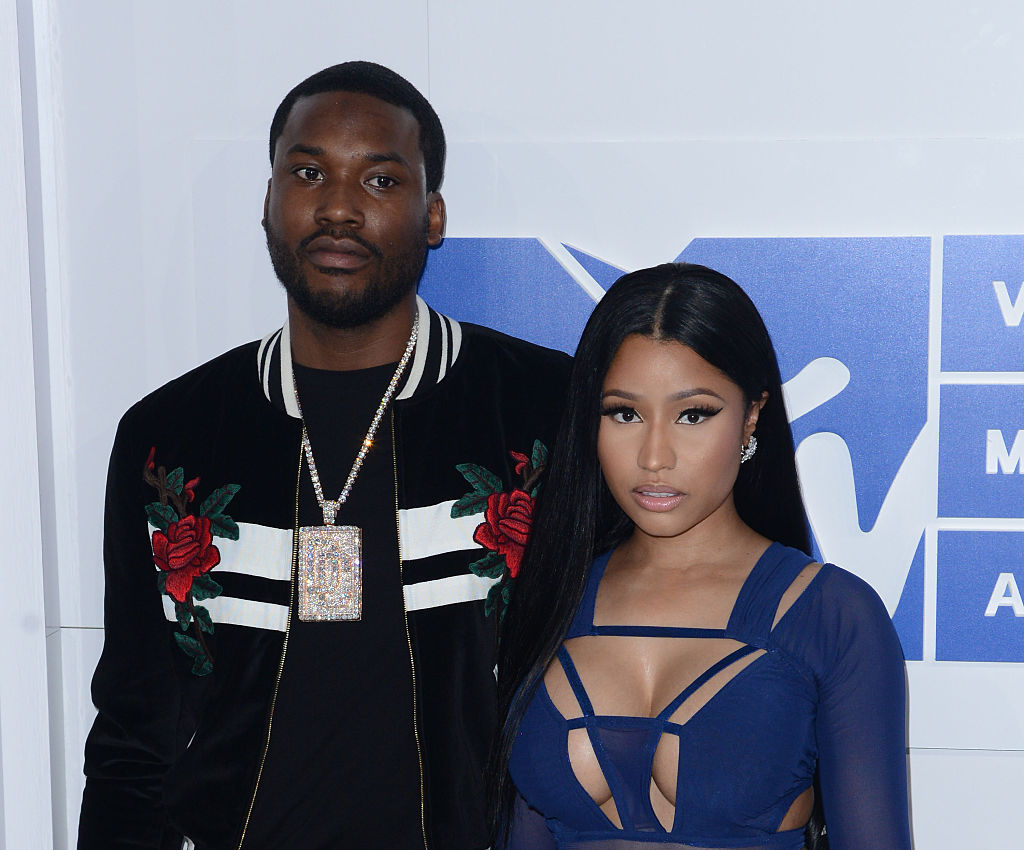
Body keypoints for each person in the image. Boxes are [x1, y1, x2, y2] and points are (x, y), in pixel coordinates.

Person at [78, 61, 570, 849]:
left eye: (380, 180)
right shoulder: (170, 436)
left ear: (433, 215)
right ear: (267, 203)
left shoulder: (546, 410)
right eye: (308, 173)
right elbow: (135, 733)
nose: (338, 208)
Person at [491, 263, 912, 849]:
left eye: (693, 414)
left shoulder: (833, 617)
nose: (654, 456)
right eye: (624, 413)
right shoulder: (552, 595)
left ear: (752, 416)